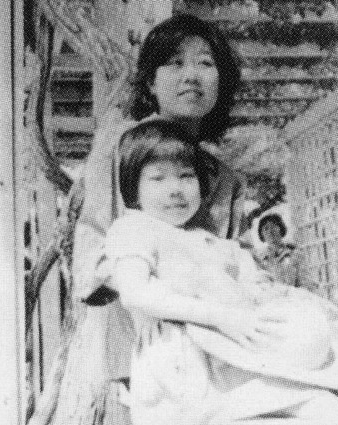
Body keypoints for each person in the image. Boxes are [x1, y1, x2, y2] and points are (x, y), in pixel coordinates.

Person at [104, 119, 338, 424]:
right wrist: (223, 316)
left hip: (237, 356)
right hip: (185, 369)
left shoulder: (207, 240)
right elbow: (135, 293)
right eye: (158, 179)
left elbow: (253, 284)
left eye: (186, 176)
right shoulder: (134, 229)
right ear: (134, 190)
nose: (175, 190)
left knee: (331, 411)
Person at [49, 14, 245, 424]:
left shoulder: (224, 178)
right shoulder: (121, 151)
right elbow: (90, 252)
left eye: (206, 63)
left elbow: (231, 261)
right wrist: (146, 289)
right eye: (175, 63)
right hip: (140, 348)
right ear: (151, 83)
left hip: (219, 347)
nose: (191, 75)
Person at [255, 212, 301, 288]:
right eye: (266, 228)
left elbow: (305, 284)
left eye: (273, 226)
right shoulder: (259, 258)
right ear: (261, 234)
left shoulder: (295, 253)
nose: (270, 231)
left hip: (294, 297)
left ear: (281, 228)